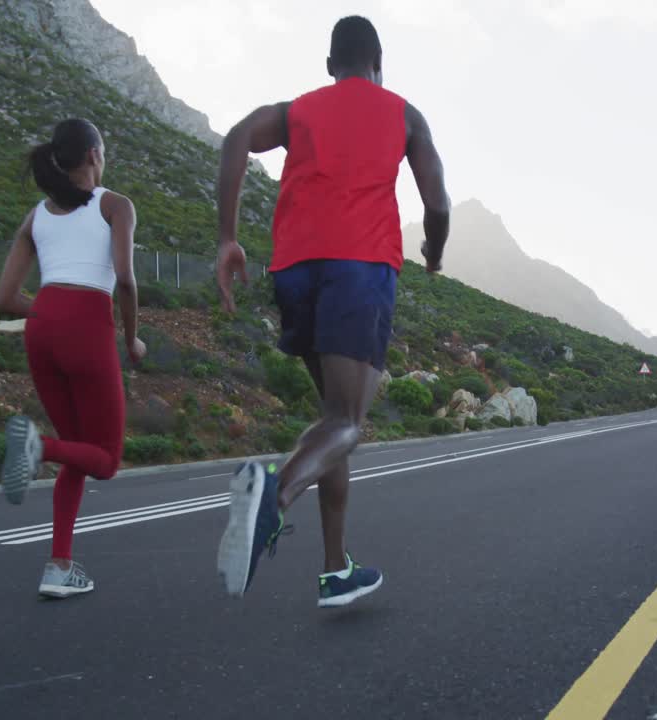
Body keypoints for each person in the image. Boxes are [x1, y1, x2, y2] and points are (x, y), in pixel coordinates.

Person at [213, 15, 451, 608]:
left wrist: (227, 237)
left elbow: (237, 137)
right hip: (359, 267)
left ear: (329, 66)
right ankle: (277, 494)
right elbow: (437, 202)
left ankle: (334, 568)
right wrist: (434, 252)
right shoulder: (403, 114)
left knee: (331, 420)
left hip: (294, 270)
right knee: (348, 422)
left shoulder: (298, 110)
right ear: (379, 64)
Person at [0, 118, 146, 599]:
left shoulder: (35, 216)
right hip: (87, 326)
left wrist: (50, 311)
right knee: (105, 461)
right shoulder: (115, 206)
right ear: (95, 156)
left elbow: (4, 299)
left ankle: (59, 567)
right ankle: (38, 447)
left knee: (78, 453)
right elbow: (124, 279)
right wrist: (132, 340)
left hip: (41, 330)